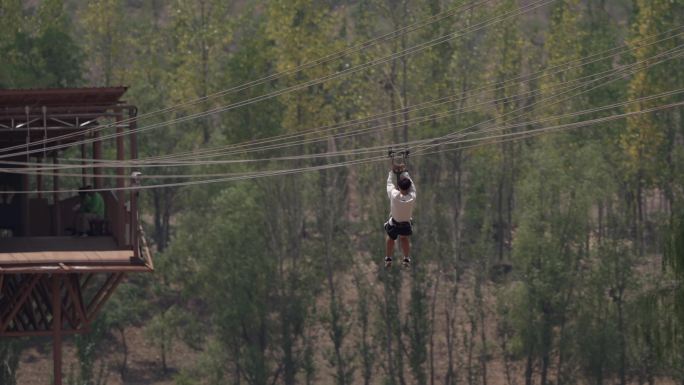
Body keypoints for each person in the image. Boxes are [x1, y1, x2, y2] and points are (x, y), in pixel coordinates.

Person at [384, 165, 416, 268]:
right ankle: (406, 258)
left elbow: (389, 184)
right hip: (405, 224)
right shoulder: (412, 196)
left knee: (390, 238)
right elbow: (412, 186)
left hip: (394, 223)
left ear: (399, 187)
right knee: (404, 238)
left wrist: (392, 173)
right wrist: (404, 172)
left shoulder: (394, 195)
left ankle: (388, 258)